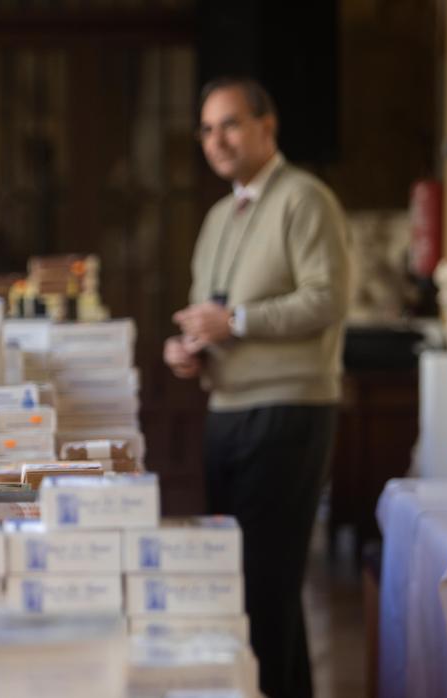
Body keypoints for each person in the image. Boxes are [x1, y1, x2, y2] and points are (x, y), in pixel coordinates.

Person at [164, 77, 349, 698]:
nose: (217, 140)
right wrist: (189, 347)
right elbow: (207, 307)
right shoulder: (220, 214)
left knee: (267, 583)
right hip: (228, 409)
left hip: (289, 409)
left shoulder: (305, 199)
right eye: (208, 129)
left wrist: (236, 323)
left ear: (268, 127)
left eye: (232, 124)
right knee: (244, 586)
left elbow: (328, 299)